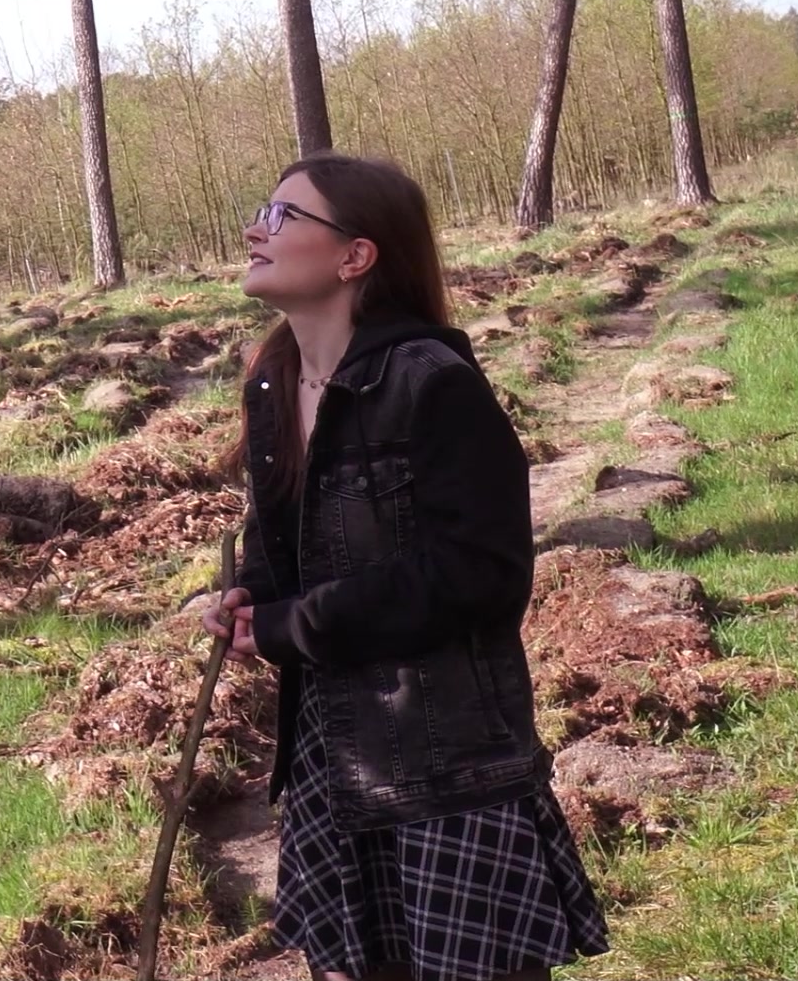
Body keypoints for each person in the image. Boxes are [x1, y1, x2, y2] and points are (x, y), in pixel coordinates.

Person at [202, 154, 607, 981]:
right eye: (261, 210)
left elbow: (479, 574)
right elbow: (286, 545)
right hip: (332, 758)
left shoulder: (433, 383)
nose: (254, 230)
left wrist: (295, 625)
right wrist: (251, 603)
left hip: (445, 766)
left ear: (356, 256)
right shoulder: (274, 384)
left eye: (282, 216)